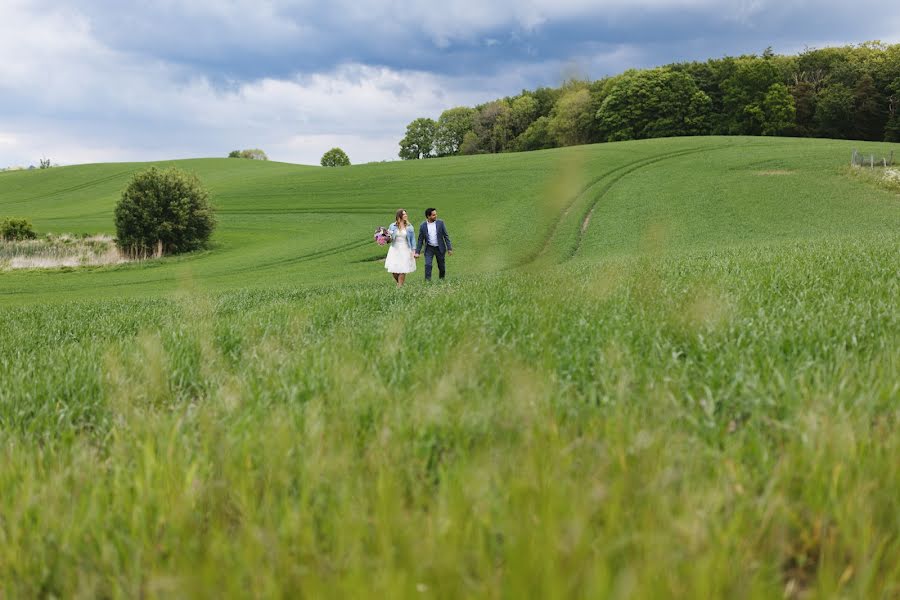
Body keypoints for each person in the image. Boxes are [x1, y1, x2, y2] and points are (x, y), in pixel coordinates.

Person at [414, 208, 453, 281]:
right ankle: (427, 281)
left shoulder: (440, 223)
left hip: (440, 248)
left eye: (436, 214)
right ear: (428, 216)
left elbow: (446, 236)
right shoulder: (423, 226)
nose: (436, 216)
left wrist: (449, 248)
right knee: (428, 265)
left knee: (441, 266)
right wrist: (417, 252)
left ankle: (442, 280)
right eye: (433, 215)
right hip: (429, 248)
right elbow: (420, 239)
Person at [385, 209, 417, 287]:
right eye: (403, 214)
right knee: (393, 270)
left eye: (406, 214)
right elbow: (389, 237)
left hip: (405, 249)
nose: (406, 215)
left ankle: (400, 287)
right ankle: (399, 283)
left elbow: (413, 240)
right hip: (394, 249)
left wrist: (413, 251)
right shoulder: (392, 226)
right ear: (399, 216)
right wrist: (384, 239)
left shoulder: (409, 227)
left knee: (403, 269)